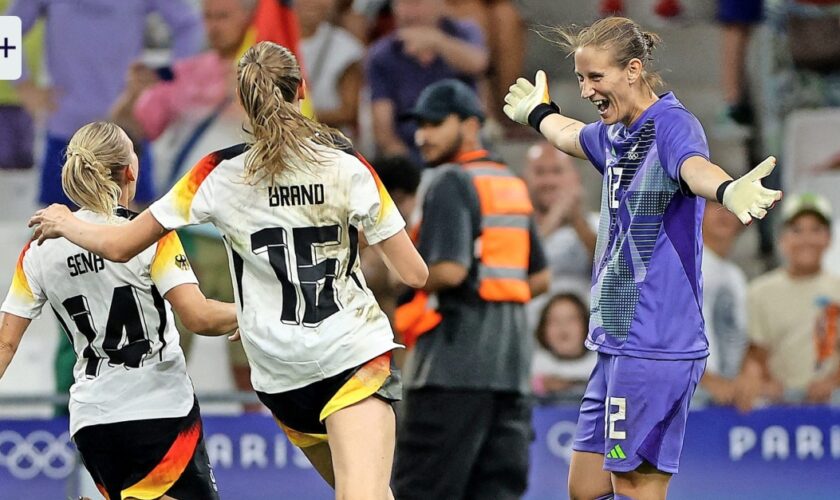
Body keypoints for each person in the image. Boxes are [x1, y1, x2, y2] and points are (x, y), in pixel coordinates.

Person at [30, 41, 428, 499]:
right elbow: (413, 274)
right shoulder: (345, 167)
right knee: (364, 492)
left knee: (370, 489)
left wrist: (66, 222)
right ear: (302, 89)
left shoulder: (215, 173)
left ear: (242, 101)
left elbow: (120, 245)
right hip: (348, 353)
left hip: (281, 377)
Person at [502, 16, 782, 499]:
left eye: (596, 77)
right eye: (582, 78)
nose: (586, 89)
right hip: (615, 345)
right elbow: (571, 135)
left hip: (656, 345)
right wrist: (538, 113)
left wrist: (726, 189)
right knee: (586, 489)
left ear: (633, 70)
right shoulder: (614, 135)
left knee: (635, 489)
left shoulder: (672, 125)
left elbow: (693, 167)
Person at [0, 122, 237, 499]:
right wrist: (254, 311)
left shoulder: (40, 247)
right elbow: (199, 317)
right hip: (159, 411)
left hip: (94, 422)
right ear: (131, 170)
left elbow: (5, 346)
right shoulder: (149, 236)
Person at [393, 79, 550, 500]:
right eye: (419, 125)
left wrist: (397, 269)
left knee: (420, 490)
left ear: (469, 125)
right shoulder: (509, 183)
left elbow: (449, 270)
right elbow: (539, 279)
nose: (422, 135)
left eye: (434, 123)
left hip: (452, 365)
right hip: (511, 370)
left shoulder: (449, 180)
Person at [111, 0, 260, 412]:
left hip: (245, 233)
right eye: (209, 17)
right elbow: (132, 131)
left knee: (250, 350)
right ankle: (158, 424)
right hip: (188, 230)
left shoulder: (268, 76)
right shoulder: (184, 74)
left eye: (224, 16)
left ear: (249, 17)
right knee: (169, 340)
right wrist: (132, 95)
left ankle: (263, 434)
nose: (214, 26)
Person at [736, 193, 840, 411]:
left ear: (828, 239)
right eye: (797, 230)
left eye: (816, 230)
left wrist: (831, 382)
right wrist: (766, 382)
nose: (806, 239)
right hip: (779, 409)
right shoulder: (759, 292)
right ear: (783, 239)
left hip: (833, 408)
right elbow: (756, 353)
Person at [366, 0, 488, 162]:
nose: (410, 13)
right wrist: (411, 172)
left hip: (466, 147)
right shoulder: (381, 54)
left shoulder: (465, 31)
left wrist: (438, 42)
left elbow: (479, 63)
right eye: (403, 4)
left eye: (417, 3)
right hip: (413, 153)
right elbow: (384, 132)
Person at [698, 202, 749, 406]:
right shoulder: (677, 263)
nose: (723, 213)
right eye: (714, 204)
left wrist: (747, 375)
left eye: (730, 205)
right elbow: (657, 331)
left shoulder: (736, 276)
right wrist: (705, 378)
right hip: (687, 393)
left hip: (729, 397)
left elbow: (741, 335)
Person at [531, 293, 598, 398]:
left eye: (571, 319)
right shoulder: (531, 368)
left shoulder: (605, 367)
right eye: (554, 320)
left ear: (587, 325)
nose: (563, 327)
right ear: (542, 329)